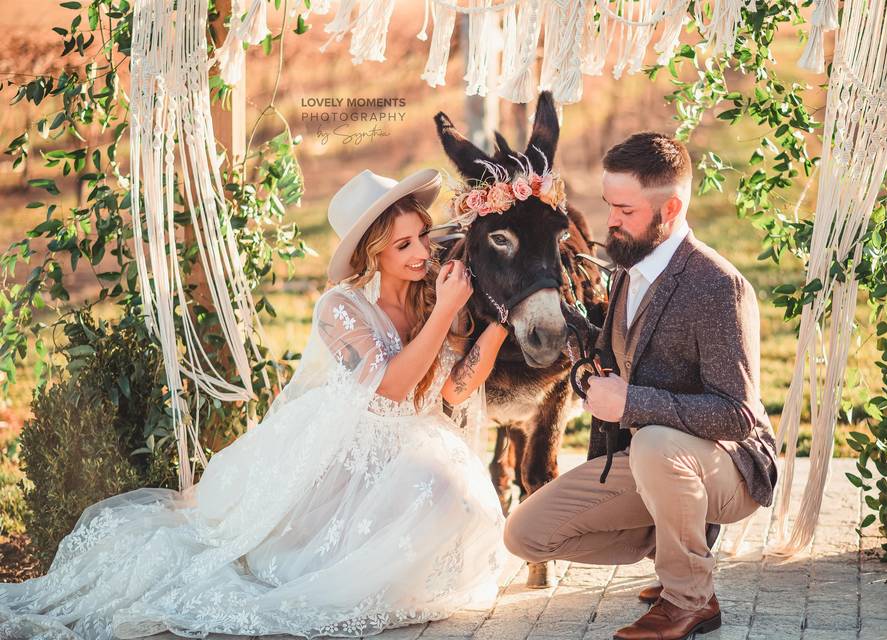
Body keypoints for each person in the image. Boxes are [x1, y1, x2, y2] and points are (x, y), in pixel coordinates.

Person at [0, 168, 511, 640]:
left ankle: (385, 574)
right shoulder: (341, 307)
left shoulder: (429, 296)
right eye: (404, 244)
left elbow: (452, 390)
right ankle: (329, 569)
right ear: (375, 252)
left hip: (401, 442)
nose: (422, 251)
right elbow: (391, 387)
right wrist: (447, 310)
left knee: (456, 494)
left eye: (423, 235)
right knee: (430, 489)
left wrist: (497, 328)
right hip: (337, 454)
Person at [504, 133, 778, 640]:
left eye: (624, 210)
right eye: (609, 205)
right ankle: (682, 553)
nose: (611, 221)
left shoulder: (718, 286)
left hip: (731, 469)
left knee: (653, 441)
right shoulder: (631, 269)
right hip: (658, 465)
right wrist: (581, 353)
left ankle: (687, 598)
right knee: (524, 535)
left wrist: (631, 402)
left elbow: (738, 414)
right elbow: (614, 360)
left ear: (669, 208)